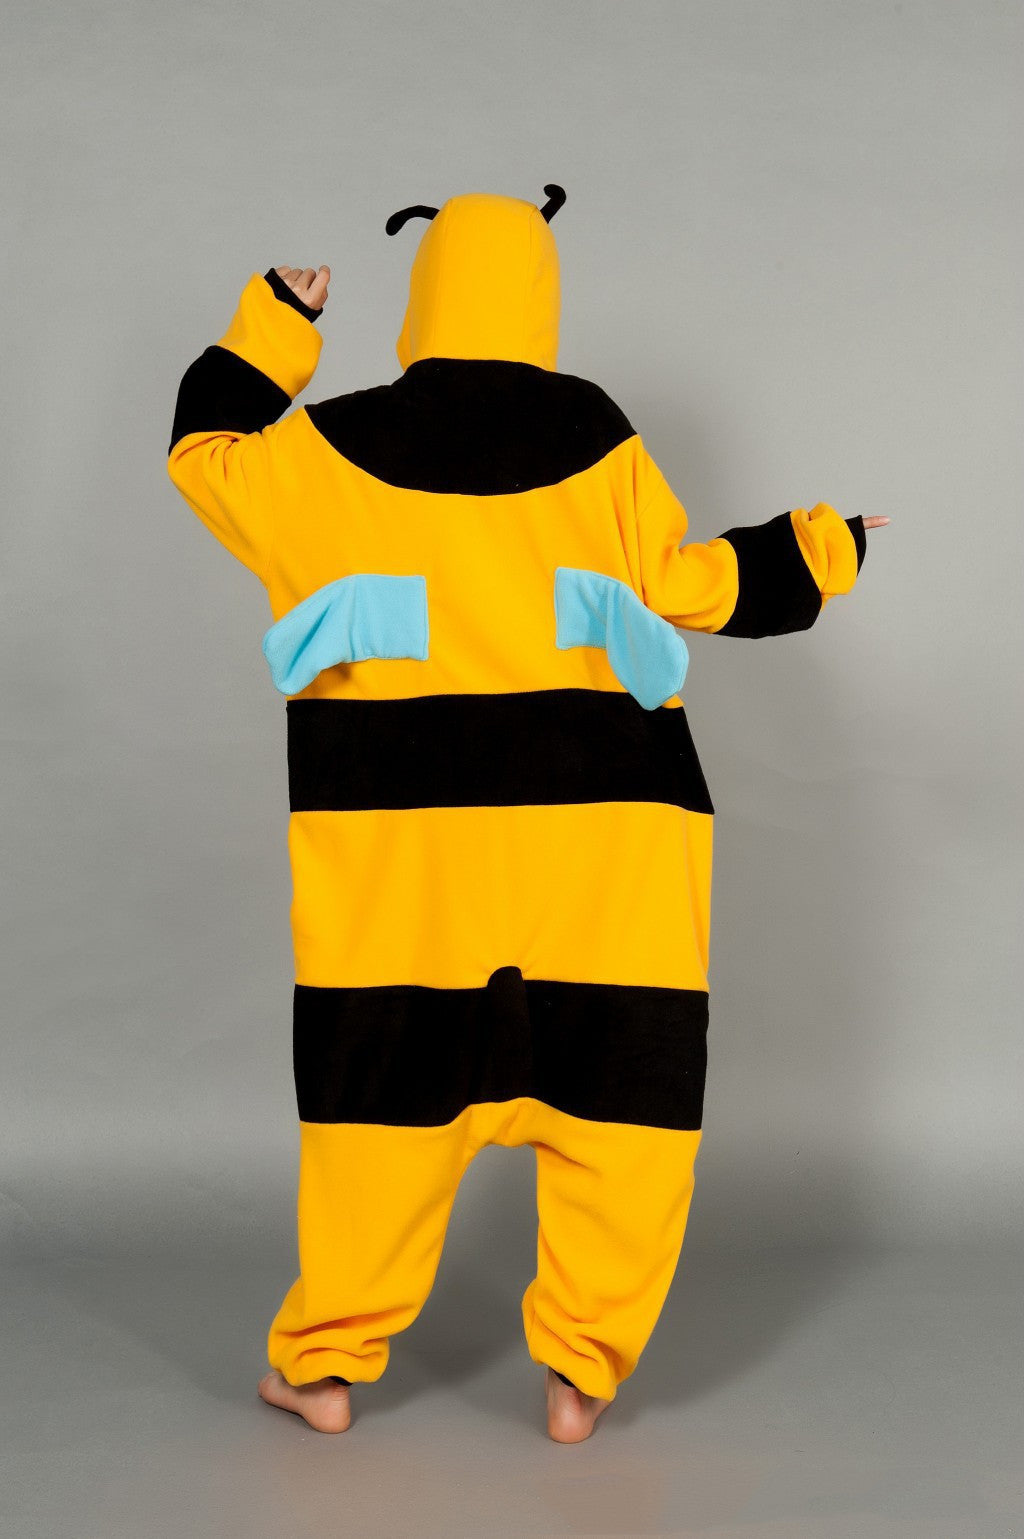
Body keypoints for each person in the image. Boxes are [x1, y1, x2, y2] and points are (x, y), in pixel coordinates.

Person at [167, 186, 888, 1444]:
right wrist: (821, 549)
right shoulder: (596, 436)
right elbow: (688, 586)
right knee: (622, 1106)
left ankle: (323, 1369)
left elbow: (206, 457)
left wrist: (277, 321)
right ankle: (581, 1376)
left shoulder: (326, 450)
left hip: (402, 852)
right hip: (605, 847)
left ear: (425, 293)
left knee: (377, 1104)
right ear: (538, 297)